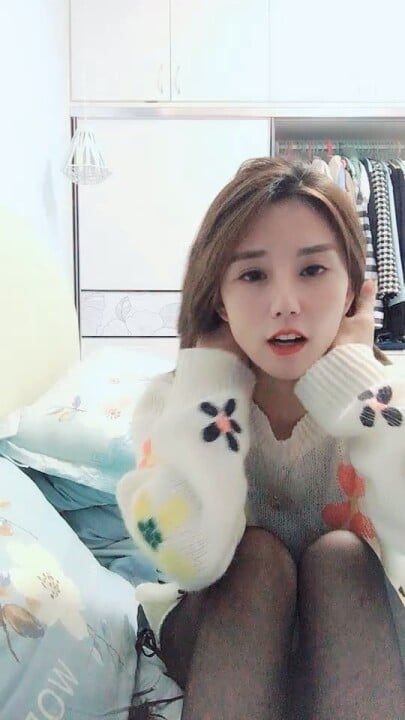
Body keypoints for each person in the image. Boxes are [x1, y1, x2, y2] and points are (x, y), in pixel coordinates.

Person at [117, 157, 405, 720]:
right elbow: (190, 560)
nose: (285, 303)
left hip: (358, 634)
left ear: (354, 290)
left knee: (343, 556)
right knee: (255, 558)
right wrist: (211, 384)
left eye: (313, 270)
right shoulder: (174, 402)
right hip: (219, 633)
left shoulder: (385, 398)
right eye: (253, 276)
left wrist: (354, 383)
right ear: (217, 299)